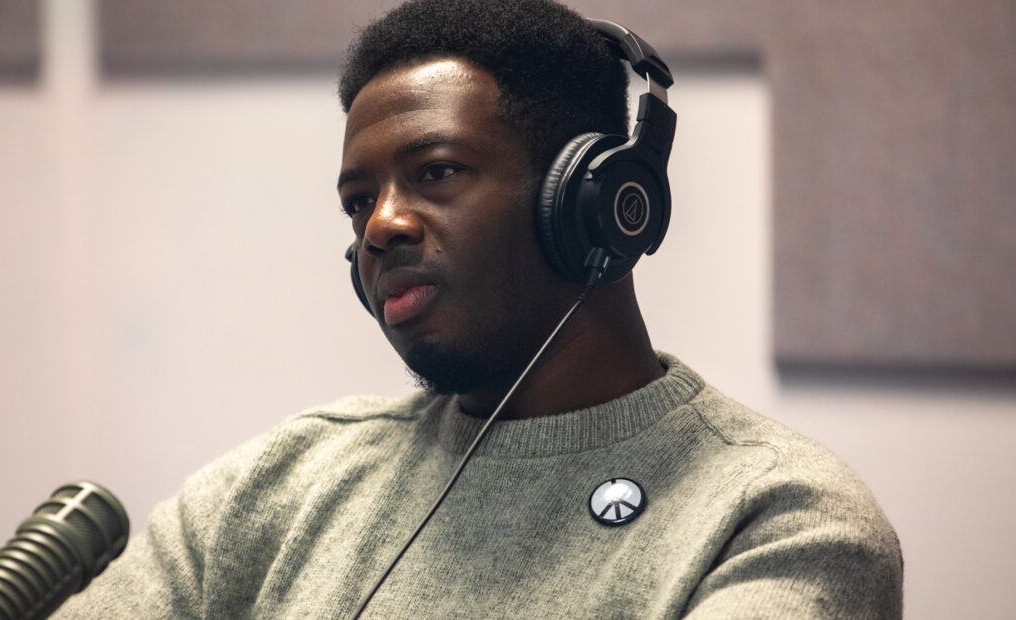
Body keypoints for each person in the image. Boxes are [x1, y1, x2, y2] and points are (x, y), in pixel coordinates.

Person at [55, 0, 903, 617]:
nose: (380, 227)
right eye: (358, 201)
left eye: (437, 172)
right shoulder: (287, 481)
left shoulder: (780, 518)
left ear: (601, 203)